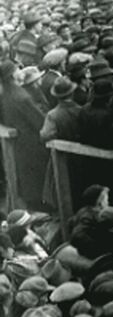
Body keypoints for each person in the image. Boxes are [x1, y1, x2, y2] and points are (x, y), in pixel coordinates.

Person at [0, 61, 48, 209]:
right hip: (32, 142)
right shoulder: (22, 97)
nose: (21, 72)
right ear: (12, 75)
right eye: (18, 70)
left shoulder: (5, 94)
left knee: (26, 177)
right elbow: (40, 121)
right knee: (37, 177)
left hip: (19, 142)